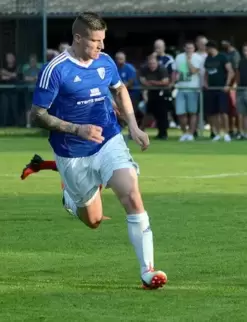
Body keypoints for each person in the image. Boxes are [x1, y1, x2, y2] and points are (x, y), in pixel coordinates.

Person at [30, 12, 167, 290]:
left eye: (103, 40)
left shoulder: (104, 62)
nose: (101, 47)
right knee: (92, 220)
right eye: (95, 41)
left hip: (108, 140)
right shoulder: (55, 70)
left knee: (131, 193)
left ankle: (147, 270)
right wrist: (76, 129)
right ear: (78, 38)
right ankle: (71, 199)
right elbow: (38, 115)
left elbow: (119, 90)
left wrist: (134, 126)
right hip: (72, 152)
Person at [204, 40, 235, 142]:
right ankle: (216, 133)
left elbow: (230, 71)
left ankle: (226, 133)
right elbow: (206, 73)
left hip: (221, 89)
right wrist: (205, 83)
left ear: (211, 48)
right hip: (211, 89)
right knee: (213, 113)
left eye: (207, 48)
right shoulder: (207, 59)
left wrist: (227, 85)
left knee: (223, 112)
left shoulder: (222, 57)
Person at [173, 41, 204, 141]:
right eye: (187, 48)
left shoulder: (198, 58)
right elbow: (175, 71)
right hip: (181, 88)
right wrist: (173, 81)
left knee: (192, 112)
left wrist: (189, 61)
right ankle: (184, 132)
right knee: (180, 112)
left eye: (191, 48)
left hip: (193, 89)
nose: (189, 50)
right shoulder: (179, 57)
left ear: (194, 49)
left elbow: (194, 71)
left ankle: (191, 133)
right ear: (184, 48)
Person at [139, 54, 171, 140]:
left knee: (162, 115)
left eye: (153, 63)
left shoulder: (162, 69)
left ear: (157, 63)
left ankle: (163, 134)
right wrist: (153, 83)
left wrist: (152, 82)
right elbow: (143, 81)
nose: (151, 65)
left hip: (162, 94)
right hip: (151, 93)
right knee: (148, 113)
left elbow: (165, 82)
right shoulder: (144, 69)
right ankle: (140, 131)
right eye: (150, 63)